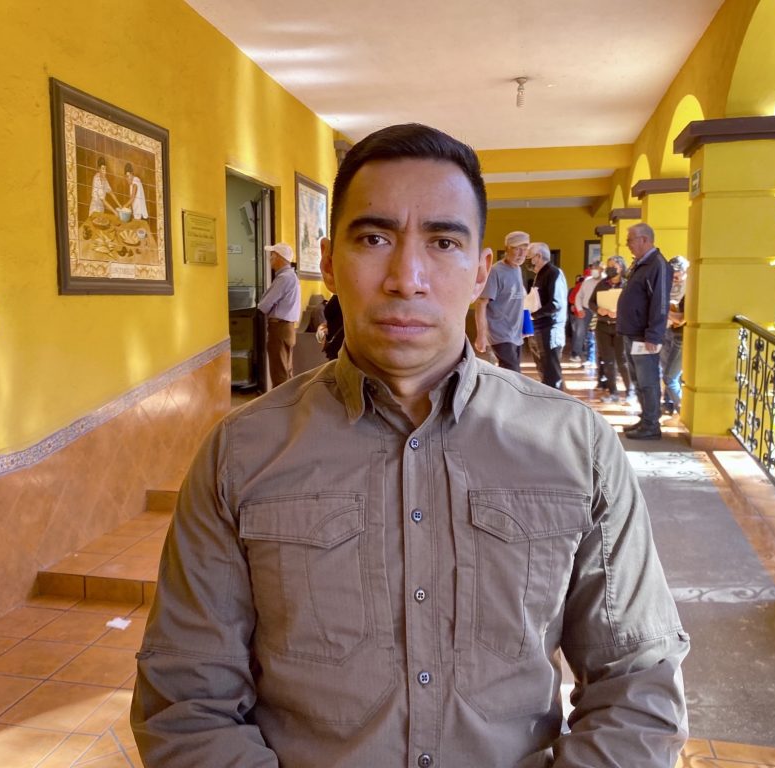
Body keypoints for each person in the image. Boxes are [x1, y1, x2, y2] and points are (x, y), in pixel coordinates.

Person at [131, 123, 689, 767]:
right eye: (374, 239)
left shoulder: (575, 447)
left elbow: (639, 685)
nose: (407, 278)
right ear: (330, 264)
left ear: (480, 272)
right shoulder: (242, 453)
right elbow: (185, 701)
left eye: (443, 242)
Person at [617, 223, 671, 440]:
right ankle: (645, 418)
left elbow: (660, 303)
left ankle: (651, 425)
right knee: (638, 380)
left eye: (630, 240)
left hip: (643, 336)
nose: (628, 244)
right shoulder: (641, 264)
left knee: (648, 381)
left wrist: (653, 335)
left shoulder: (658, 265)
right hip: (632, 333)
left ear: (644, 240)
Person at [473, 230, 529, 372]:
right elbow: (481, 304)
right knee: (513, 373)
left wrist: (525, 326)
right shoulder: (495, 272)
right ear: (507, 249)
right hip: (500, 333)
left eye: (524, 249)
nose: (521, 254)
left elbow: (520, 300)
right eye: (517, 249)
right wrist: (481, 335)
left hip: (515, 333)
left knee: (511, 373)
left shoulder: (518, 269)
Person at [590, 256, 635, 402]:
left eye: (614, 266)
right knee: (608, 361)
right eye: (608, 266)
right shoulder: (602, 284)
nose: (611, 269)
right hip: (603, 326)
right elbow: (591, 302)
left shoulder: (627, 285)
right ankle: (613, 392)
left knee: (623, 360)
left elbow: (634, 305)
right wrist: (599, 309)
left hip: (620, 327)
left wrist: (620, 312)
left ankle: (630, 391)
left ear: (621, 268)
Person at [257, 242, 301, 387]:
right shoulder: (291, 276)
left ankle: (281, 401)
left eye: (273, 255)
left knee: (279, 373)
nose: (270, 259)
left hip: (279, 329)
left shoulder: (284, 278)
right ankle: (290, 400)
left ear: (280, 258)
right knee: (286, 370)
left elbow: (264, 305)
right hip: (287, 328)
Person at [528, 242, 568, 389]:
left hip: (550, 329)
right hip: (539, 327)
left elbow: (556, 304)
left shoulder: (553, 273)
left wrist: (533, 315)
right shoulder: (540, 274)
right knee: (543, 370)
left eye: (529, 257)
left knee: (551, 372)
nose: (527, 261)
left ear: (538, 257)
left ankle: (557, 400)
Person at [662, 255, 689, 415]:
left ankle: (683, 412)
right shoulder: (667, 283)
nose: (674, 277)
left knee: (671, 376)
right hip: (667, 330)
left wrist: (663, 310)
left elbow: (682, 318)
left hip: (680, 333)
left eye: (677, 273)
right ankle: (669, 404)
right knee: (667, 368)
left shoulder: (691, 288)